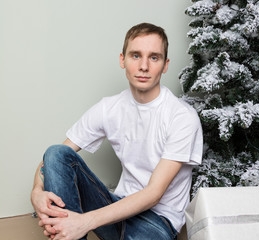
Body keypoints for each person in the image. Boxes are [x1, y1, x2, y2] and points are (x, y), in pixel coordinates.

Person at [30, 22, 203, 240]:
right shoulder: (109, 108)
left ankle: (73, 229)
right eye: (135, 56)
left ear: (165, 64)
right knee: (56, 153)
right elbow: (51, 160)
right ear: (122, 60)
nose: (144, 66)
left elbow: (153, 194)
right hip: (117, 208)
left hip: (157, 222)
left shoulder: (182, 117)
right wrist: (36, 192)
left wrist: (83, 222)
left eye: (154, 57)